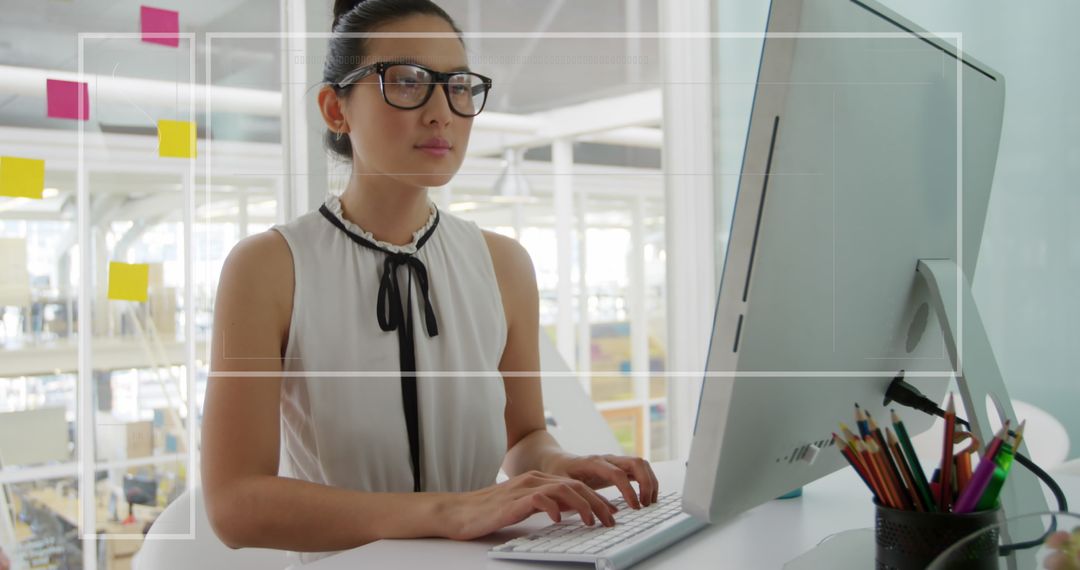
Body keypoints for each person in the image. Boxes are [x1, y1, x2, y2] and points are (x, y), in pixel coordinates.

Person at [201, 0, 659, 563]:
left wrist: (556, 463)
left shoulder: (504, 264)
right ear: (334, 108)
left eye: (459, 86)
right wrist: (448, 511)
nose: (442, 111)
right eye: (409, 81)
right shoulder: (269, 267)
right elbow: (235, 505)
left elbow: (523, 439)